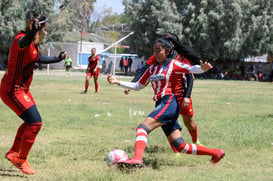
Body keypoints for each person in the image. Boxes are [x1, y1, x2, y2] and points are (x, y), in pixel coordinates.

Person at [107, 38, 225, 168]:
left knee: (142, 128)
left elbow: (191, 69)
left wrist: (202, 68)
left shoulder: (173, 64)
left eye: (159, 51)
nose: (156, 54)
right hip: (161, 105)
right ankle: (216, 153)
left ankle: (137, 159)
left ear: (167, 51)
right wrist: (118, 82)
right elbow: (138, 85)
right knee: (180, 146)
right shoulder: (152, 69)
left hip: (169, 102)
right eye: (154, 51)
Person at [0, 11, 67, 175]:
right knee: (35, 123)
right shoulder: (22, 39)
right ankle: (20, 159)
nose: (47, 32)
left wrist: (57, 59)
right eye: (45, 29)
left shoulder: (34, 43)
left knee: (31, 122)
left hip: (22, 90)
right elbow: (23, 42)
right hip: (11, 90)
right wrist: (32, 31)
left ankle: (13, 152)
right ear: (37, 28)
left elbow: (38, 58)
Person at [126, 33, 203, 151]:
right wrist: (132, 83)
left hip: (181, 95)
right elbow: (144, 70)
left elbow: (189, 77)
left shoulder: (181, 57)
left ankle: (195, 141)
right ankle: (176, 149)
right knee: (166, 122)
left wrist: (187, 96)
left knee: (189, 122)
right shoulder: (157, 56)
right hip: (166, 96)